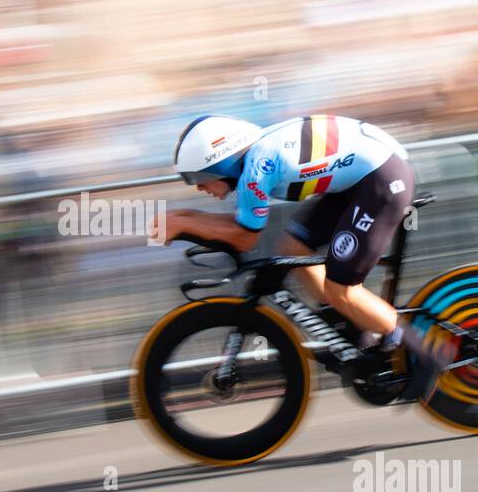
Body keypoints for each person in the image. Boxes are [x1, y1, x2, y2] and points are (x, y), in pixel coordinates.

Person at [150, 113, 453, 401]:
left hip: (382, 181)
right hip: (358, 181)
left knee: (342, 289)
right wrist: (182, 218)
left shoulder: (257, 169)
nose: (201, 187)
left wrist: (185, 223)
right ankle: (352, 330)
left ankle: (425, 353)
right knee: (293, 248)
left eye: (200, 178)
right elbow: (237, 227)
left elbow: (245, 238)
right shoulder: (253, 160)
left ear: (223, 163)